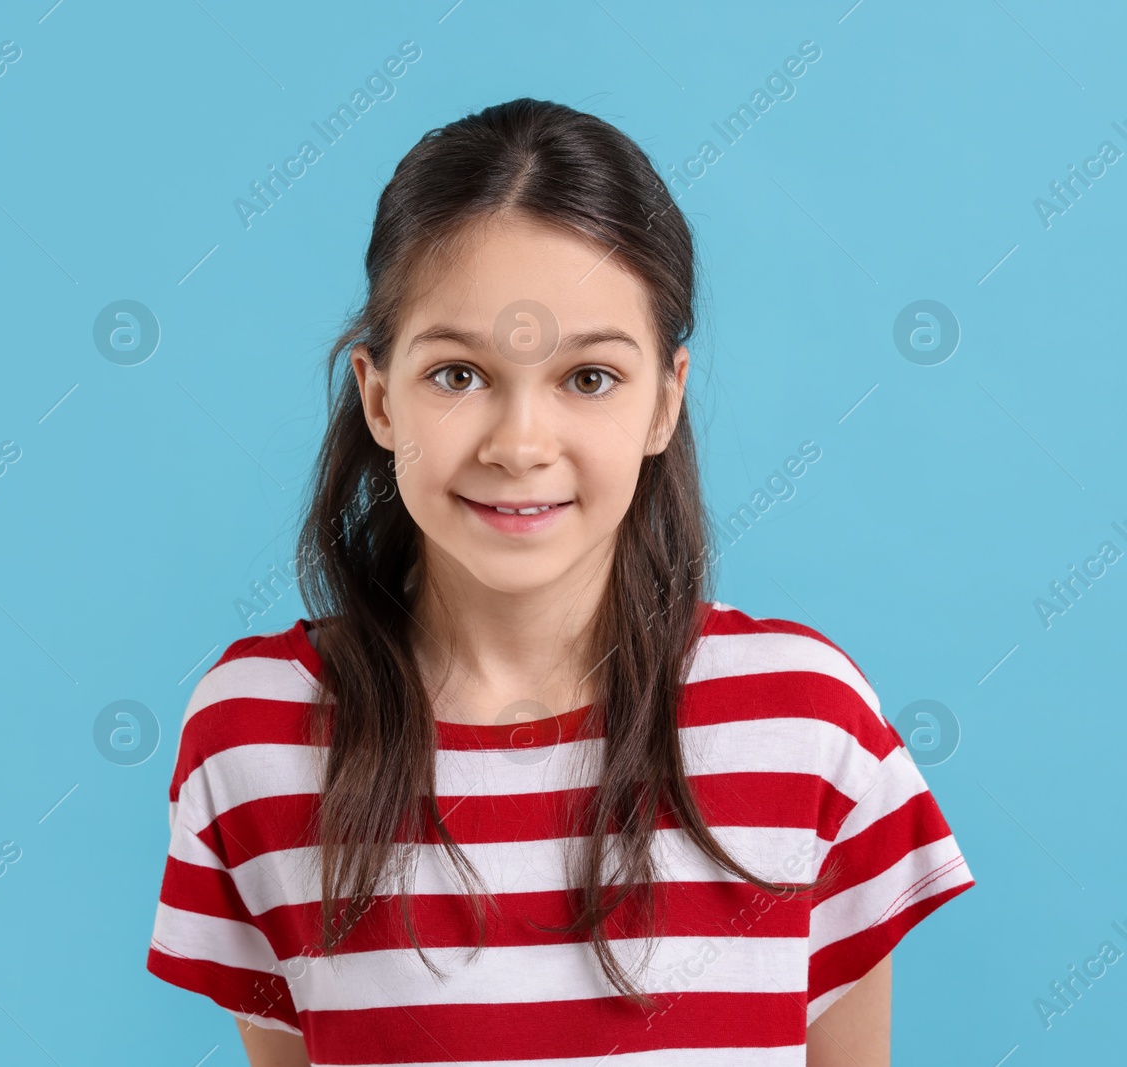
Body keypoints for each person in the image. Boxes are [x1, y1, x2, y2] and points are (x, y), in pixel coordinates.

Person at [146, 97, 973, 1066]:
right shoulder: (258, 732)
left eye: (588, 378)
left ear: (665, 399)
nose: (519, 445)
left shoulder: (806, 720)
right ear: (378, 395)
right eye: (458, 374)